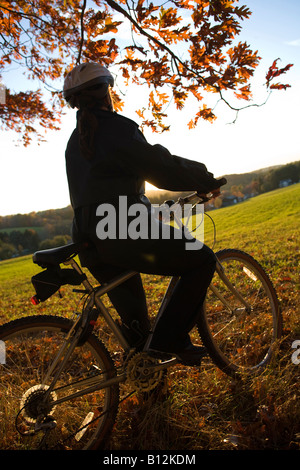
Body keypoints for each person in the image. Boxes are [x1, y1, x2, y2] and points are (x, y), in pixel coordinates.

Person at [63, 62, 226, 366]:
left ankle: (145, 378)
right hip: (124, 230)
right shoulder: (114, 129)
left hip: (90, 239)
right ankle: (171, 339)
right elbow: (157, 166)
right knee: (201, 259)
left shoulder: (75, 142)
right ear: (105, 92)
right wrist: (203, 178)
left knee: (137, 325)